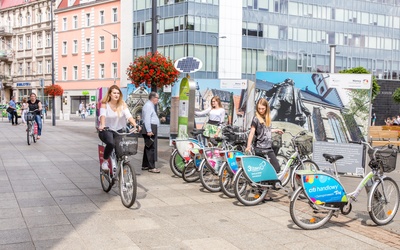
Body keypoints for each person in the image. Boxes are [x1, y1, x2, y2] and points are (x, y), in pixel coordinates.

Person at [245, 98, 284, 201]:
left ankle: (263, 191)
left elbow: (266, 130)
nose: (260, 110)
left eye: (262, 108)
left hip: (268, 147)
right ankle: (263, 192)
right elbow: (252, 132)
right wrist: (248, 146)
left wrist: (276, 130)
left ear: (266, 108)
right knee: (272, 169)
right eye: (259, 109)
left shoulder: (267, 118)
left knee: (270, 169)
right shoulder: (256, 118)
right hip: (261, 148)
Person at [98, 85, 139, 172]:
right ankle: (105, 161)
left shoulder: (122, 104)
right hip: (106, 130)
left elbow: (129, 116)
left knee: (120, 151)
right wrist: (102, 125)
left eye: (118, 93)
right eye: (114, 93)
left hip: (118, 130)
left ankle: (119, 172)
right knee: (111, 143)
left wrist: (135, 124)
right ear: (110, 94)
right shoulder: (105, 104)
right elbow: (103, 115)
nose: (116, 95)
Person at [141, 92, 160, 173]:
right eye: (157, 98)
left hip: (152, 127)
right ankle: (151, 167)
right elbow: (147, 119)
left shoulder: (150, 106)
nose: (158, 100)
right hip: (150, 128)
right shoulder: (148, 106)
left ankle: (145, 165)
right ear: (153, 98)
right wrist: (149, 130)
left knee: (148, 146)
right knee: (151, 148)